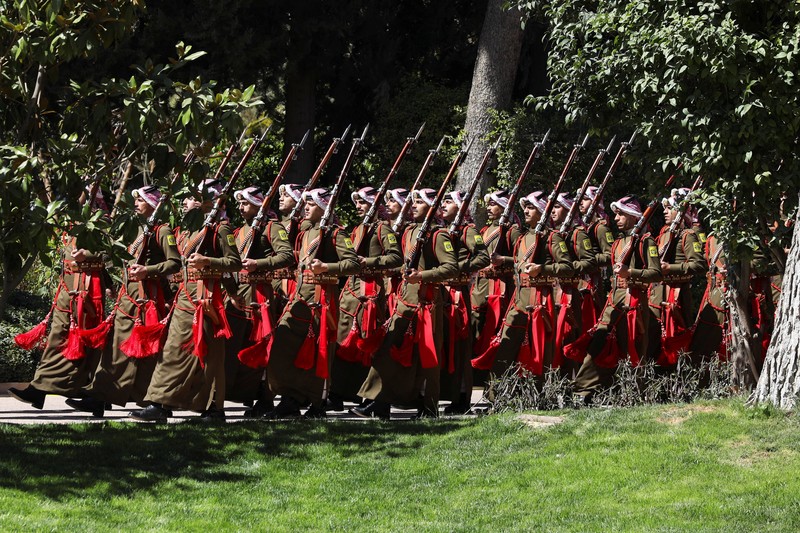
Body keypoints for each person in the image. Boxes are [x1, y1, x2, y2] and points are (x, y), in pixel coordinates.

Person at [130, 179, 242, 422]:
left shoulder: (219, 230)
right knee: (175, 350)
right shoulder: (184, 231)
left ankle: (211, 408)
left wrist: (208, 262)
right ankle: (162, 404)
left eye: (191, 197)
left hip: (207, 298)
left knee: (210, 354)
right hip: (185, 297)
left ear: (207, 202)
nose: (185, 202)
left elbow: (234, 263)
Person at [67, 185, 181, 417]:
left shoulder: (162, 230)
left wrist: (148, 270)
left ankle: (158, 403)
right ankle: (99, 398)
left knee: (148, 355)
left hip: (146, 300)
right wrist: (87, 255)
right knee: (114, 350)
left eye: (140, 200)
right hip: (127, 298)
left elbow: (175, 263)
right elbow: (113, 252)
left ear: (151, 203)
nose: (136, 204)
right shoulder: (135, 228)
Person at [353, 188, 458, 419]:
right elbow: (404, 263)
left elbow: (451, 267)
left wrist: (421, 276)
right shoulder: (410, 231)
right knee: (389, 351)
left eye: (419, 202)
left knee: (427, 357)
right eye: (412, 201)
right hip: (404, 301)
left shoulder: (437, 235)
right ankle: (379, 404)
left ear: (431, 207)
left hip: (426, 302)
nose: (413, 205)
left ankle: (428, 408)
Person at [10, 186, 112, 410]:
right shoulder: (72, 224)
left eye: (83, 195)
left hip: (85, 291)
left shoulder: (100, 224)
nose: (76, 200)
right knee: (61, 339)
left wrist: (90, 255)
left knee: (71, 340)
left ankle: (47, 390)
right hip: (68, 289)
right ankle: (71, 393)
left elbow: (113, 254)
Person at [265, 187, 360, 418]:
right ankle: (291, 397)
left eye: (311, 203)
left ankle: (316, 403)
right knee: (282, 350)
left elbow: (354, 263)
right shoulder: (305, 232)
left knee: (319, 352)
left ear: (324, 207)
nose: (305, 207)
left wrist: (327, 267)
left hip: (320, 301)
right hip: (299, 298)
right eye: (305, 202)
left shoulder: (336, 234)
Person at [472, 191, 573, 378]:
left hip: (540, 299)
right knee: (506, 345)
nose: (525, 211)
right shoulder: (522, 237)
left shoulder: (552, 237)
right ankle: (498, 394)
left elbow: (567, 267)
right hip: (518, 298)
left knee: (538, 347)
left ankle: (538, 391)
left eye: (531, 207)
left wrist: (542, 268)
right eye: (525, 207)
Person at [571, 196, 663, 401]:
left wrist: (630, 272)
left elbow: (656, 273)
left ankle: (634, 393)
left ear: (633, 216)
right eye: (616, 214)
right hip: (614, 300)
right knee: (600, 341)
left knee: (634, 346)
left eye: (621, 214)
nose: (616, 218)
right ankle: (584, 390)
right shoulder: (619, 242)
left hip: (634, 300)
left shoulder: (645, 241)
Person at [330, 186, 402, 410]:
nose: (358, 207)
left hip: (370, 290)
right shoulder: (358, 229)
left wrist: (368, 262)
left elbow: (395, 258)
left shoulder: (383, 229)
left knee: (367, 344)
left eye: (362, 203)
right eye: (357, 203)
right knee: (343, 343)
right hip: (351, 291)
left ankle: (364, 394)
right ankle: (338, 393)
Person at [224, 186, 294, 417]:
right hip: (238, 295)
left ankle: (264, 399)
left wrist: (258, 264)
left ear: (257, 203)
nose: (241, 207)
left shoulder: (272, 227)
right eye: (240, 203)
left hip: (259, 296)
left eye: (245, 203)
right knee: (233, 349)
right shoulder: (238, 231)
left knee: (261, 351)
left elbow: (287, 255)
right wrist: (231, 292)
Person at [439, 190, 489, 414]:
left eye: (448, 202)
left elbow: (483, 257)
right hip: (443, 292)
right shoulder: (443, 230)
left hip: (458, 293)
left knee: (459, 346)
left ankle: (461, 397)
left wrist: (457, 268)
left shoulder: (468, 230)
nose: (443, 205)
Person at [647, 188, 706, 366]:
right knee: (654, 338)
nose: (665, 211)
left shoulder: (687, 235)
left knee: (677, 340)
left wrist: (670, 268)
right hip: (657, 294)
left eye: (669, 208)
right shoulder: (664, 234)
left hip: (677, 294)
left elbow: (699, 265)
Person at [471, 190, 521, 383]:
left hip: (499, 288)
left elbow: (522, 258)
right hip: (481, 288)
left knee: (494, 331)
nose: (489, 208)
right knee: (478, 331)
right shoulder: (484, 231)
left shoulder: (512, 231)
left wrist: (504, 260)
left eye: (493, 204)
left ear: (503, 207)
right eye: (488, 204)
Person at [550, 192, 598, 376]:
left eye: (557, 206)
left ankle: (573, 381)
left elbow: (590, 262)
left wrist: (567, 267)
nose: (553, 210)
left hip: (571, 291)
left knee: (570, 338)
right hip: (556, 289)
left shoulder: (578, 233)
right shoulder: (555, 232)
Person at [577, 185, 614, 312]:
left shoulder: (600, 228)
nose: (580, 202)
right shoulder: (584, 227)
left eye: (586, 199)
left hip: (595, 281)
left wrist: (588, 258)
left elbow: (610, 255)